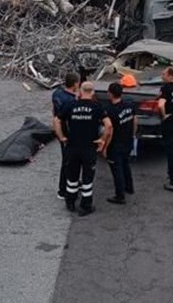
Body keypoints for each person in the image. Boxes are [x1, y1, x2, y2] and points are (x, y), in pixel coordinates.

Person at [53, 81, 112, 216]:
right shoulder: (97, 106)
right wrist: (102, 139)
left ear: (80, 91)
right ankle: (86, 205)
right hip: (89, 147)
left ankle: (70, 202)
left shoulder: (70, 105)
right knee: (87, 178)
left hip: (72, 146)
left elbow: (56, 120)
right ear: (92, 92)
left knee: (72, 176)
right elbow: (108, 125)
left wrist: (62, 137)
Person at [104, 82, 137, 205]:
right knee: (125, 164)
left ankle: (120, 195)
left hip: (116, 144)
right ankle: (129, 187)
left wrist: (105, 147)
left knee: (116, 169)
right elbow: (135, 120)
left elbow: (109, 130)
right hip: (127, 140)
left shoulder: (110, 110)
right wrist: (133, 135)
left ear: (110, 94)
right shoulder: (129, 105)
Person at [51, 73, 79, 200]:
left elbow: (54, 111)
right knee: (68, 162)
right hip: (67, 134)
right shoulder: (71, 101)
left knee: (67, 160)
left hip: (59, 130)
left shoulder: (57, 93)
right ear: (75, 84)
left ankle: (71, 182)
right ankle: (62, 190)